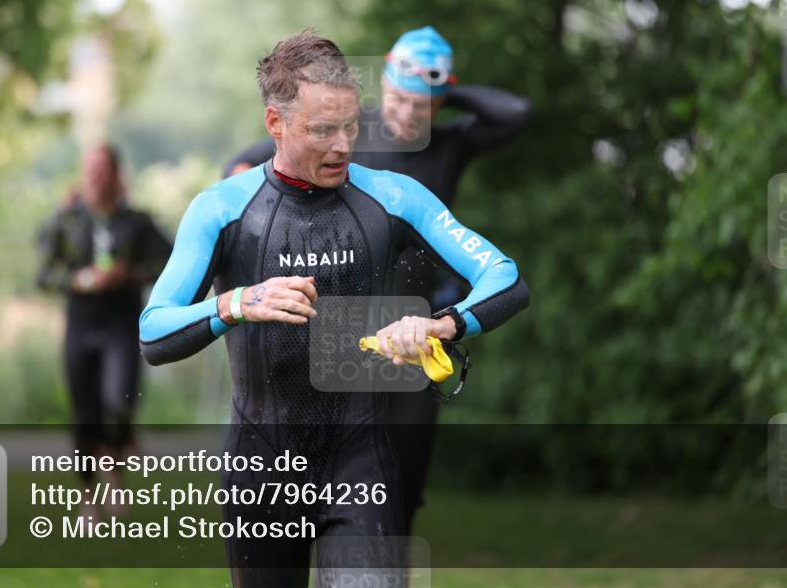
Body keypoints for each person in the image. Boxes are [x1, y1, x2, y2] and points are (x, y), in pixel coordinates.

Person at [141, 31, 529, 587]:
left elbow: (504, 277)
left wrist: (440, 323)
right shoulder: (222, 209)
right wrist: (237, 302)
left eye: (349, 126)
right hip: (261, 466)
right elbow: (153, 331)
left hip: (359, 461)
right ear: (275, 124)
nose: (344, 145)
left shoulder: (395, 195)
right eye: (323, 130)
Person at [36, 144, 173, 513]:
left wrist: (129, 274)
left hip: (122, 325)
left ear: (116, 175)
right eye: (90, 169)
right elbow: (44, 274)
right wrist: (81, 279)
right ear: (83, 174)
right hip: (81, 325)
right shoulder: (67, 221)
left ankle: (114, 470)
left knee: (119, 401)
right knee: (85, 412)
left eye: (103, 170)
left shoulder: (138, 222)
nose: (96, 177)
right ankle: (87, 496)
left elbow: (170, 261)